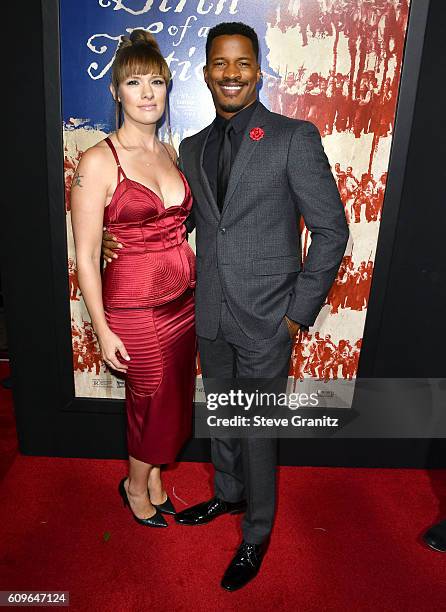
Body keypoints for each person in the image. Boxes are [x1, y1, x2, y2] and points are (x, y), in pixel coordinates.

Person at [103, 22, 348, 590]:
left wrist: (297, 313)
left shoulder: (293, 136)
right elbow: (176, 220)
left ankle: (257, 532)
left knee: (258, 429)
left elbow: (331, 231)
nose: (231, 73)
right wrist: (113, 234)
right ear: (207, 73)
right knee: (224, 417)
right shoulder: (192, 147)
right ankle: (228, 496)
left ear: (258, 71)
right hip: (208, 312)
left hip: (269, 317)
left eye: (242, 63)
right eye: (220, 64)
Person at [71, 30, 196, 529]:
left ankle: (158, 477)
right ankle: (135, 486)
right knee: (149, 404)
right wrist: (102, 329)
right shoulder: (98, 161)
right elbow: (84, 255)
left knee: (174, 400)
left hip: (185, 302)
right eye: (134, 82)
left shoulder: (171, 151)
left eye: (157, 82)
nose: (147, 93)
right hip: (135, 311)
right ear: (116, 92)